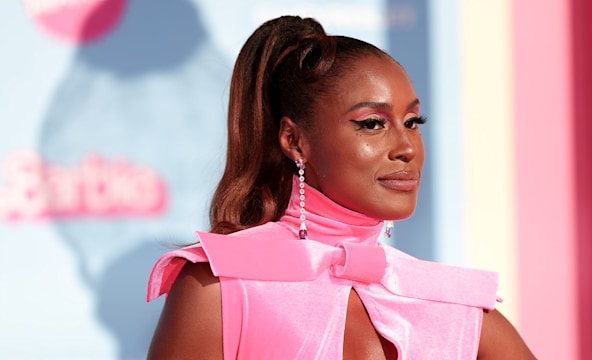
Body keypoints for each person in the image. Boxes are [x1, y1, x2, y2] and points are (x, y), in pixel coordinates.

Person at [146, 15, 535, 359]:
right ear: (295, 141)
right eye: (372, 124)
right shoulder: (219, 287)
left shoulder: (458, 308)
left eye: (413, 122)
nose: (406, 148)